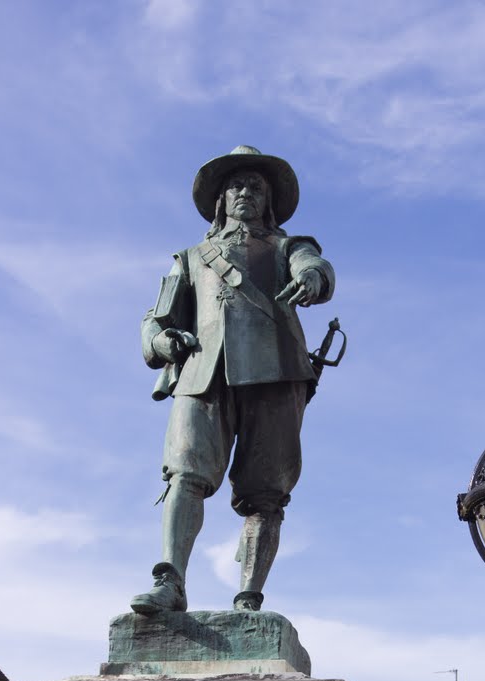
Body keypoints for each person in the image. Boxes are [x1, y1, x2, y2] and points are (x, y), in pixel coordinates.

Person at [131, 145, 335, 615]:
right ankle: (170, 581)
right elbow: (153, 323)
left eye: (256, 187)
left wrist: (313, 279)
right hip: (204, 374)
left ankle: (249, 598)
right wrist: (164, 344)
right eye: (236, 186)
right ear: (220, 200)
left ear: (269, 202)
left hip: (277, 374)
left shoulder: (290, 247)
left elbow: (317, 269)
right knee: (185, 473)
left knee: (266, 491)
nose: (246, 192)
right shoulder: (190, 258)